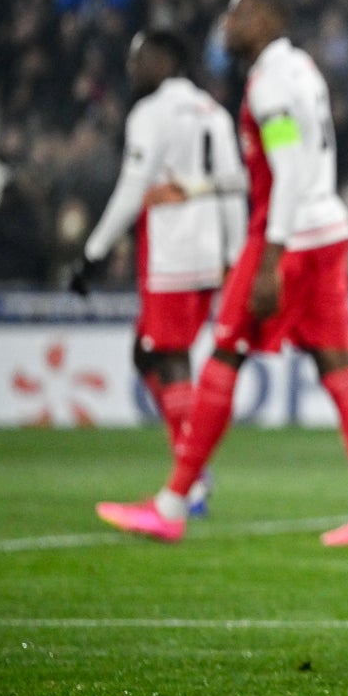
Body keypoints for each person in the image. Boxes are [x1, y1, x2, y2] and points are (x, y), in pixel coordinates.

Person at [95, 0, 348, 548]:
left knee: (222, 358)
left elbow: (284, 171)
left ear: (263, 18)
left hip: (289, 238)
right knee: (338, 369)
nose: (225, 25)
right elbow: (295, 160)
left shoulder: (270, 85)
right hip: (326, 228)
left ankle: (172, 504)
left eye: (234, 14)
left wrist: (270, 262)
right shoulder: (301, 70)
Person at [69, 30, 246, 511]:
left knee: (168, 358)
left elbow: (133, 186)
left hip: (169, 249)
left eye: (139, 57)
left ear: (167, 59)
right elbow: (235, 184)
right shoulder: (213, 111)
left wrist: (94, 250)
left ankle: (191, 481)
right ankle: (192, 474)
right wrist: (234, 253)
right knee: (151, 355)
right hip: (209, 249)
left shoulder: (151, 113)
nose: (132, 67)